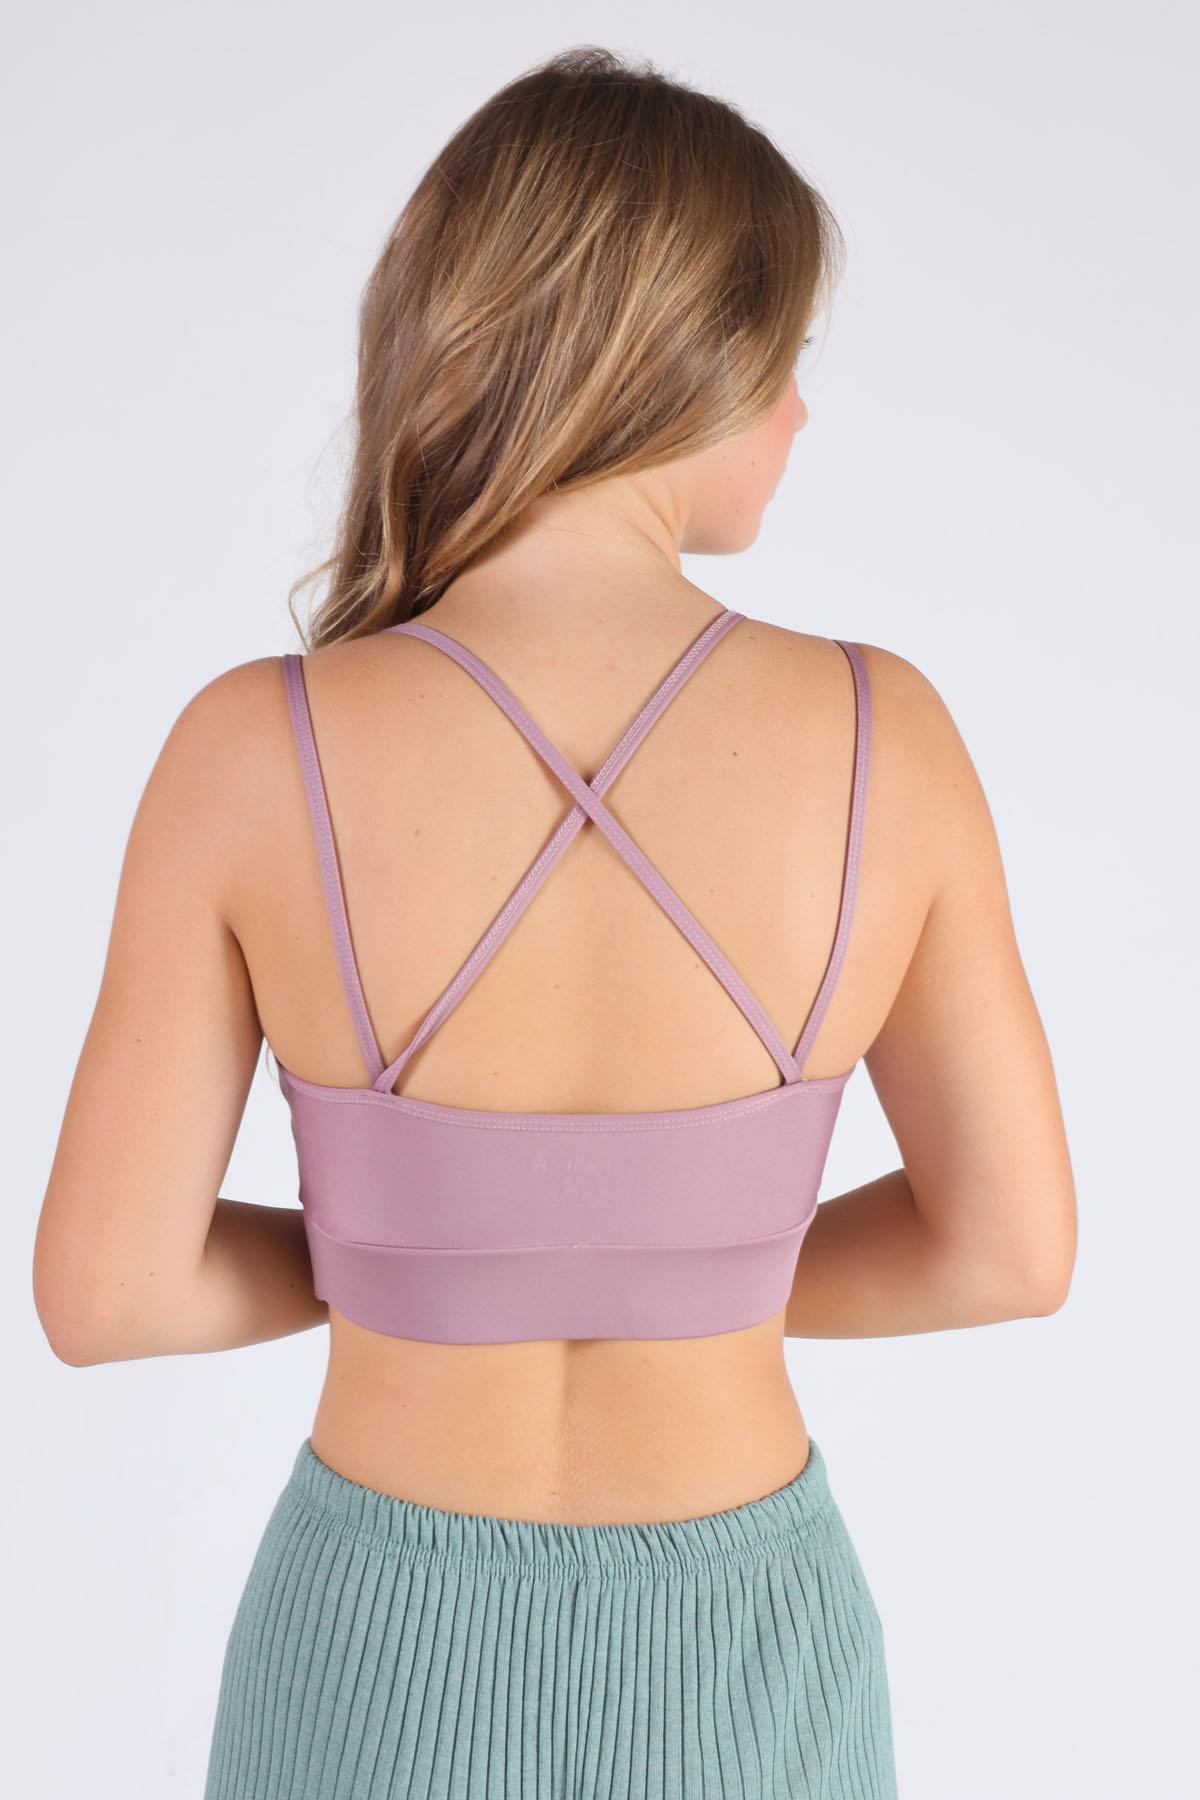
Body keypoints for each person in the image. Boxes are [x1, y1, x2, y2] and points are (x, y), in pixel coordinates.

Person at [31, 43, 1076, 1800]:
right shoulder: (885, 738)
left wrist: (416, 1259)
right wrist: (696, 1270)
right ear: (672, 355)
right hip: (746, 1650)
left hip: (372, 1650)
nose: (799, 416)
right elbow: (1010, 1253)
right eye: (783, 361)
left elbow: (106, 1294)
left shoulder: (253, 750)